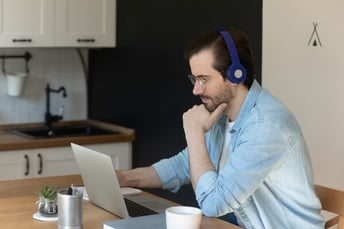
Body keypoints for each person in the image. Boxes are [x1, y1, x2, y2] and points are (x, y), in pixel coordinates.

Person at [116, 28, 324, 228]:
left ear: (236, 75)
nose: (196, 89)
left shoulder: (265, 126)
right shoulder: (223, 114)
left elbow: (213, 204)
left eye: (203, 79)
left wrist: (194, 133)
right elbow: (183, 165)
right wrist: (124, 178)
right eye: (194, 78)